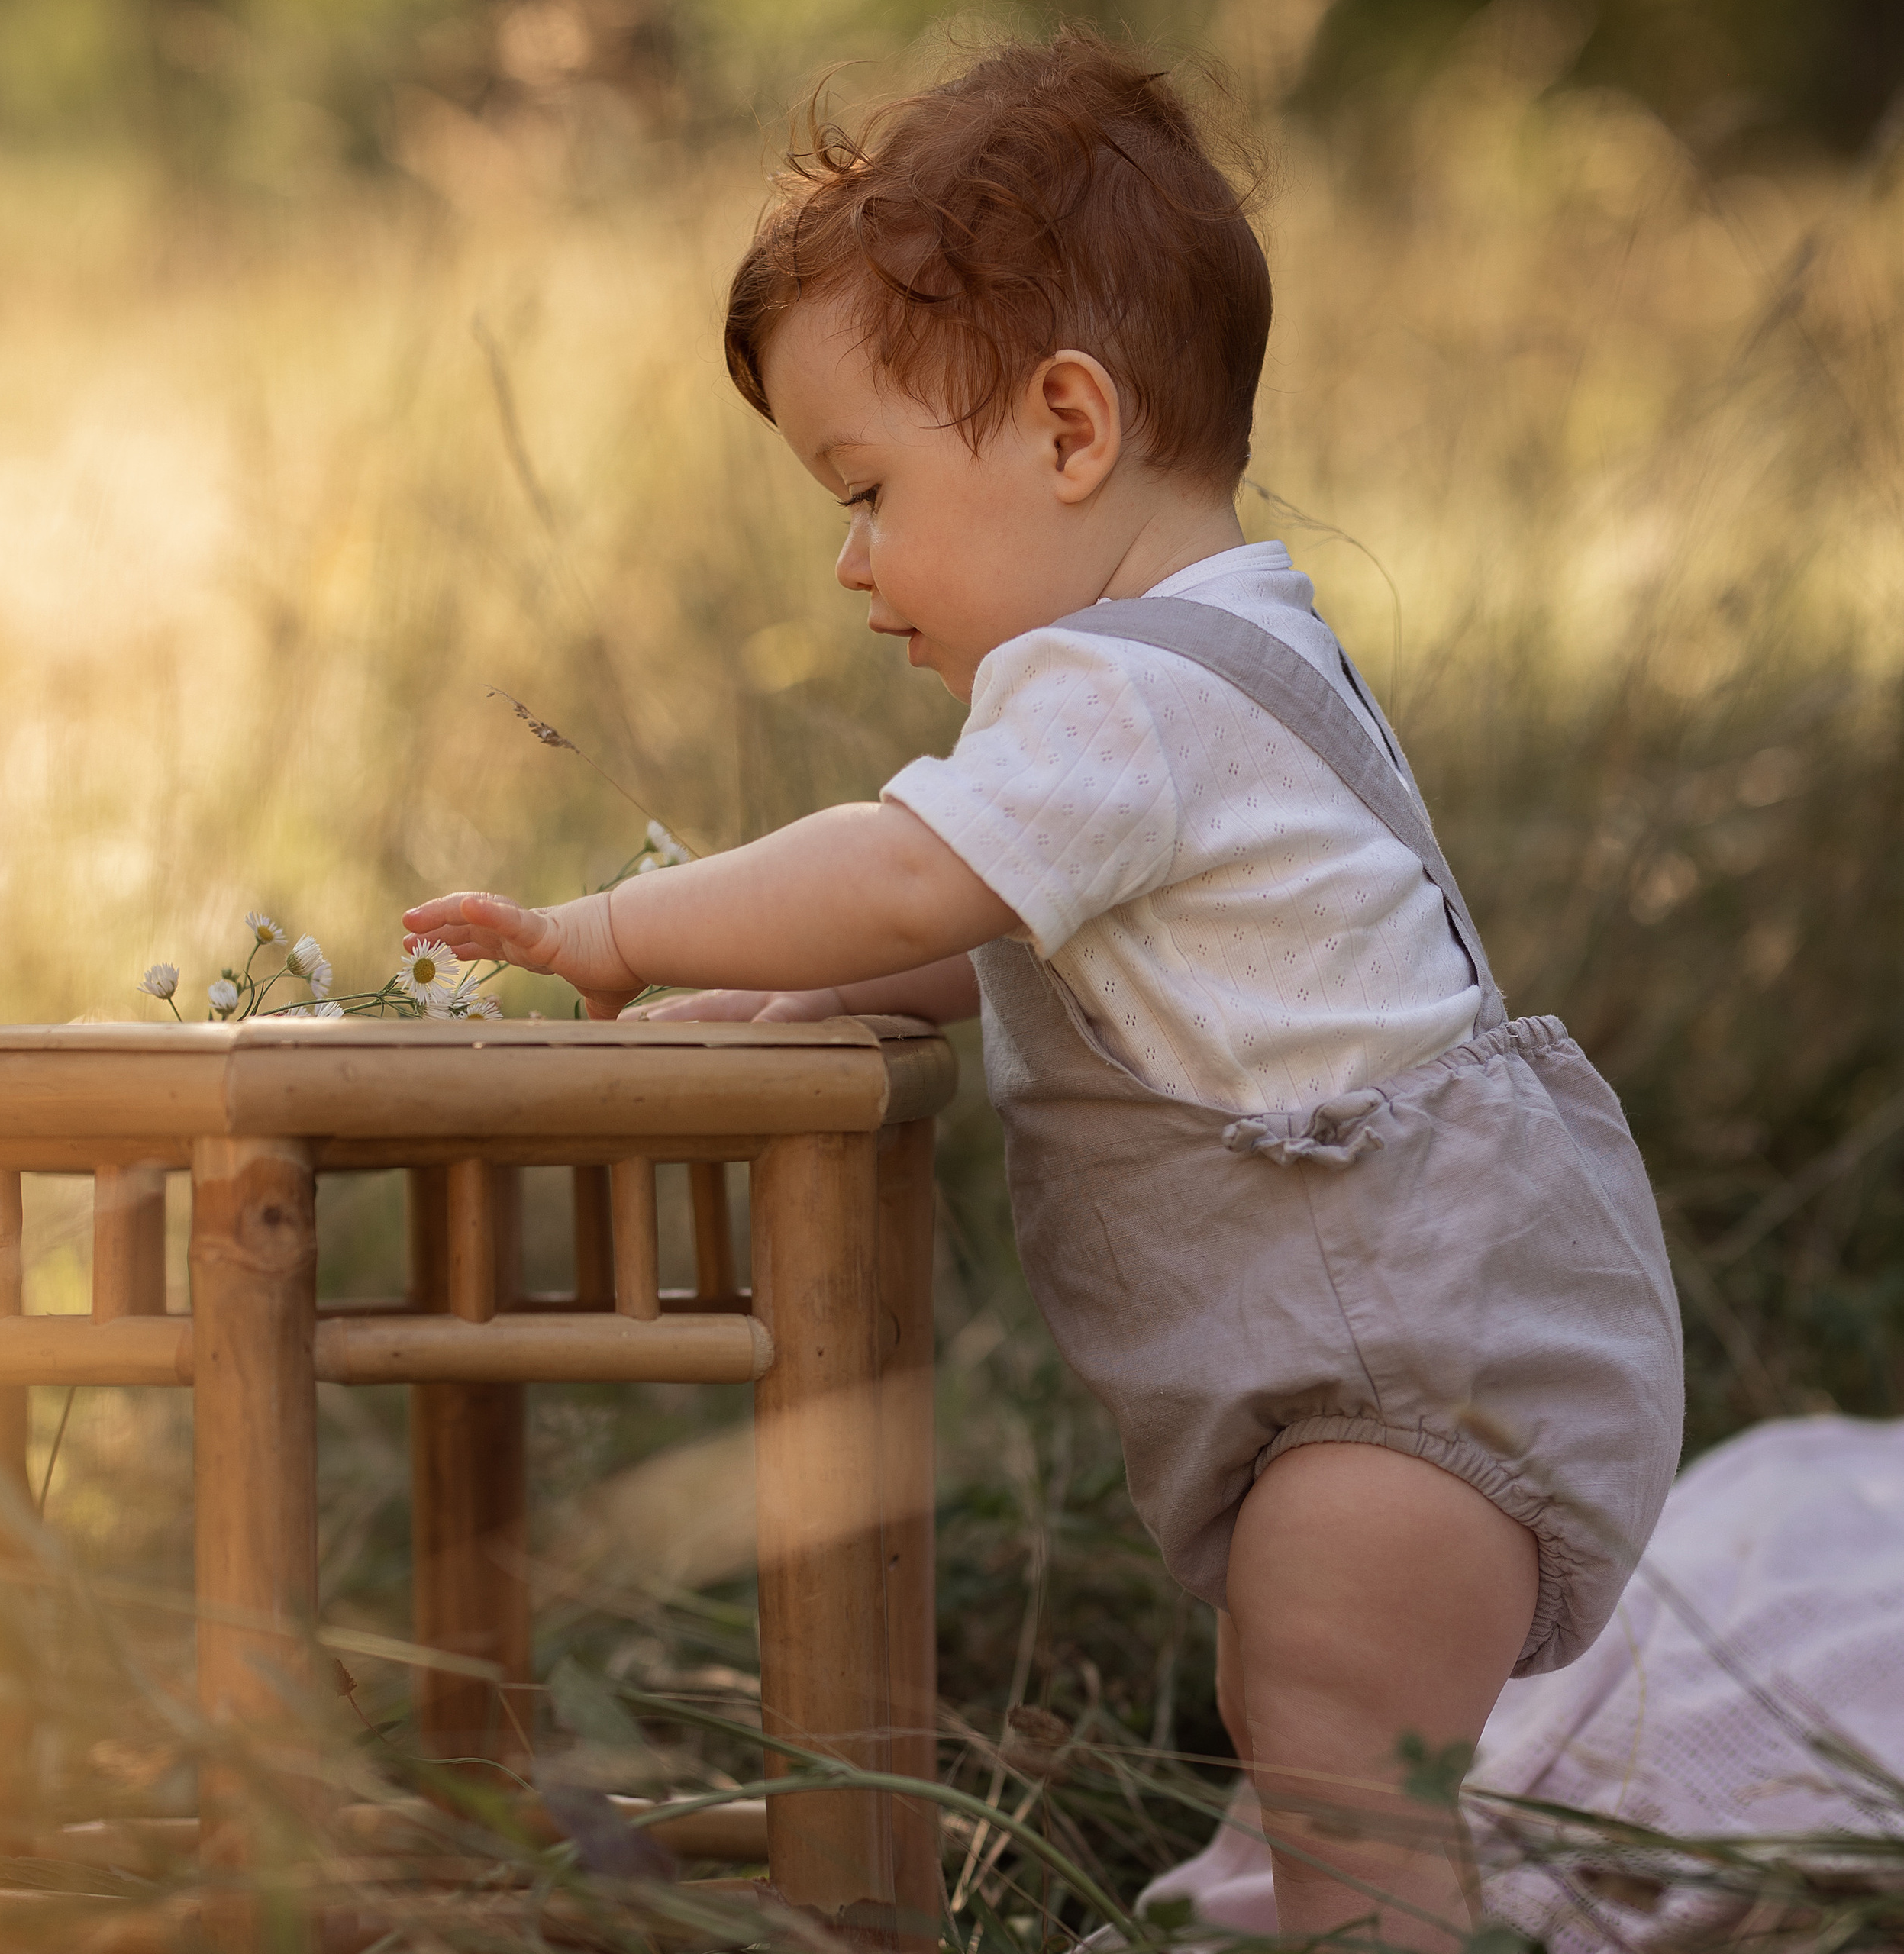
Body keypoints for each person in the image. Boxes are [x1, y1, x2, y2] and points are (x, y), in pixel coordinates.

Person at [404, 28, 1684, 1946]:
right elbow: (1031, 920)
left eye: (863, 488)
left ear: (1069, 431)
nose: (849, 562)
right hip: (1443, 1333)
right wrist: (826, 995)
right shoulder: (1230, 647)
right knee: (1317, 1732)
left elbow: (915, 862)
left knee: (1338, 1747)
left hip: (1400, 1368)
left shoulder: (1117, 688)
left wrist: (616, 931)